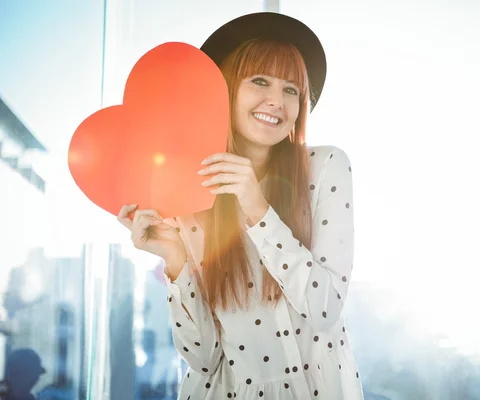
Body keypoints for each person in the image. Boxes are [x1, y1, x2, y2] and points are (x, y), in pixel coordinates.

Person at [117, 12, 363, 399]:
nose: (276, 102)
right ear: (224, 90)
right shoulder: (190, 193)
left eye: (291, 90)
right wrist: (175, 259)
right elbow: (202, 357)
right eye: (260, 81)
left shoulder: (327, 166)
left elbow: (325, 311)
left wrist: (258, 209)